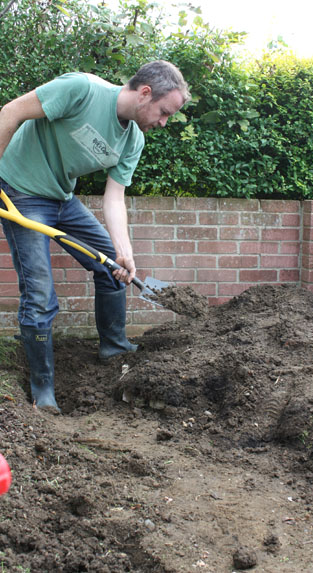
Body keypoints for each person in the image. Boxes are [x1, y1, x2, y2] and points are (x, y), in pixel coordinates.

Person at [0, 60, 190, 412]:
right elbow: (10, 112)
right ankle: (43, 390)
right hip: (22, 192)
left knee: (110, 265)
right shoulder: (80, 90)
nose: (164, 123)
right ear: (145, 93)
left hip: (62, 198)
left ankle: (114, 347)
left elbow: (114, 197)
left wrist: (124, 251)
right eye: (164, 112)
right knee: (40, 295)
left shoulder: (133, 139)